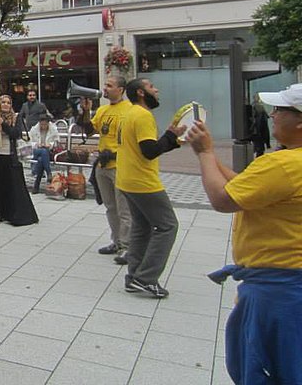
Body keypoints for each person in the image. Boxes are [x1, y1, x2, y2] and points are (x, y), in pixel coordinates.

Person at [186, 83, 302, 385]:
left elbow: (223, 199)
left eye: (281, 110)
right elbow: (248, 187)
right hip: (289, 283)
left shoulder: (284, 164)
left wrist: (205, 152)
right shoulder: (287, 164)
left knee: (264, 368)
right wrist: (215, 160)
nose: (272, 115)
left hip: (277, 290)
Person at [116, 78, 185, 298]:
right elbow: (149, 150)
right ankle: (146, 279)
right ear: (141, 93)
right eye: (151, 87)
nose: (157, 89)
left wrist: (171, 139)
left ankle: (134, 277)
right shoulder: (143, 115)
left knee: (142, 227)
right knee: (167, 226)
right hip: (142, 182)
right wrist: (171, 137)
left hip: (126, 179)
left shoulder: (128, 113)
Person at [78, 75, 132, 264]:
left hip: (120, 165)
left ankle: (128, 246)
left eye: (110, 85)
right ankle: (116, 241)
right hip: (103, 164)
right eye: (105, 85)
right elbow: (89, 130)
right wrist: (86, 111)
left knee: (124, 208)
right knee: (110, 207)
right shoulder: (102, 110)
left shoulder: (130, 110)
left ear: (121, 89)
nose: (105, 89)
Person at [0, 95, 39, 226]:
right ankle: (0, 211)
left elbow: (15, 133)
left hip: (12, 157)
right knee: (0, 185)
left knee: (15, 186)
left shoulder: (16, 117)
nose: (5, 105)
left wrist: (3, 124)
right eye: (3, 102)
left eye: (8, 103)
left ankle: (15, 213)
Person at [28, 115, 59, 193]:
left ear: (48, 123)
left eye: (45, 124)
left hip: (48, 152)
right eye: (42, 124)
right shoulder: (34, 129)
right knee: (43, 152)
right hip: (36, 151)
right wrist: (37, 145)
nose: (43, 126)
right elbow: (29, 143)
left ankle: (36, 186)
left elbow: (57, 142)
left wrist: (50, 145)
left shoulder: (53, 130)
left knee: (41, 159)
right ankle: (49, 172)